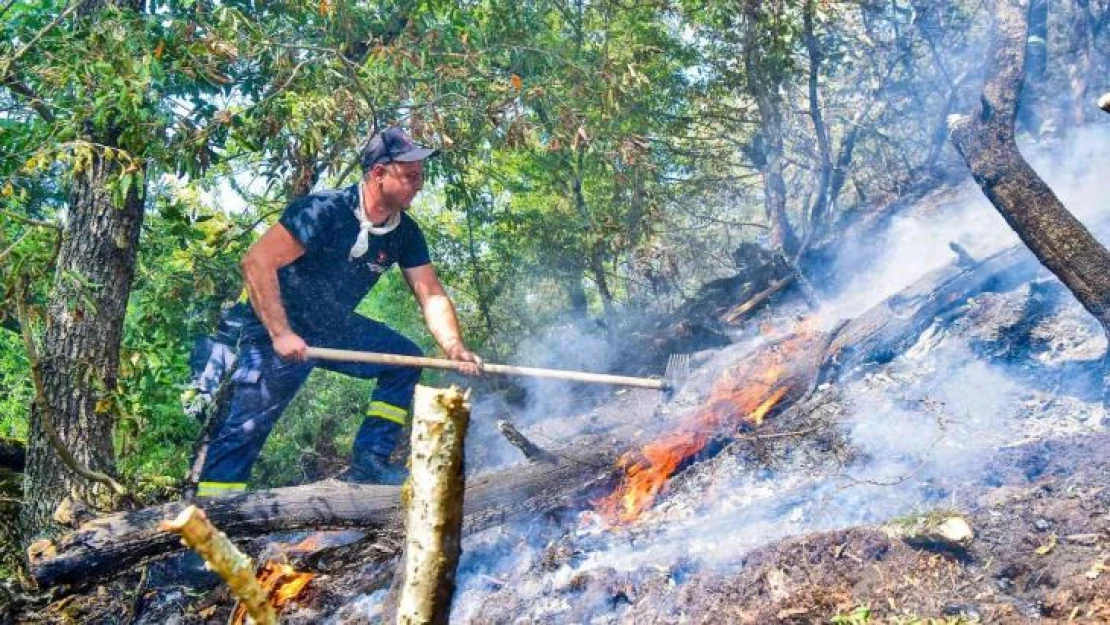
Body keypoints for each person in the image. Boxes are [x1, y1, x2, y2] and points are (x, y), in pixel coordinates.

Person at [192, 127, 482, 496]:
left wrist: (454, 347)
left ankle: (369, 462)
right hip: (276, 329)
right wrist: (281, 333)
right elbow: (256, 263)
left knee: (406, 360)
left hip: (332, 326)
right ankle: (208, 526)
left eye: (420, 177)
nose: (418, 185)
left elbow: (431, 294)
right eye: (410, 176)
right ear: (379, 174)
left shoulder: (405, 233)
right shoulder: (322, 211)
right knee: (245, 431)